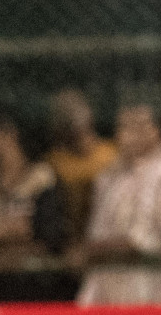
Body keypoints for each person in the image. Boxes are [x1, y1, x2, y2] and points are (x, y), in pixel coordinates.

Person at [76, 103, 161, 306]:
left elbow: (142, 242)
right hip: (104, 301)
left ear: (156, 131)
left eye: (135, 127)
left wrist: (87, 251)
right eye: (122, 127)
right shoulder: (112, 175)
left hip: (148, 301)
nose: (125, 135)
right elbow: (96, 232)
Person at [0, 107, 71, 301]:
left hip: (38, 297)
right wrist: (0, 234)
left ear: (9, 135)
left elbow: (52, 242)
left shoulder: (43, 179)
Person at [46, 87, 118, 241]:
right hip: (73, 240)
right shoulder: (56, 163)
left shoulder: (112, 154)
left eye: (85, 128)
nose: (82, 134)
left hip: (110, 236)